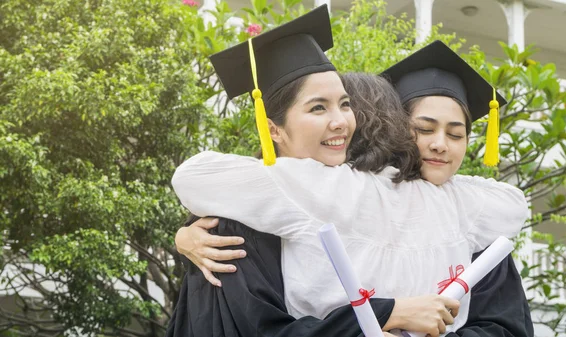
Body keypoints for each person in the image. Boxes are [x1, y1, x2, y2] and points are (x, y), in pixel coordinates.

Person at [171, 17, 529, 333]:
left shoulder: (469, 222)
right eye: (422, 129)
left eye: (345, 105)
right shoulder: (236, 219)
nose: (340, 121)